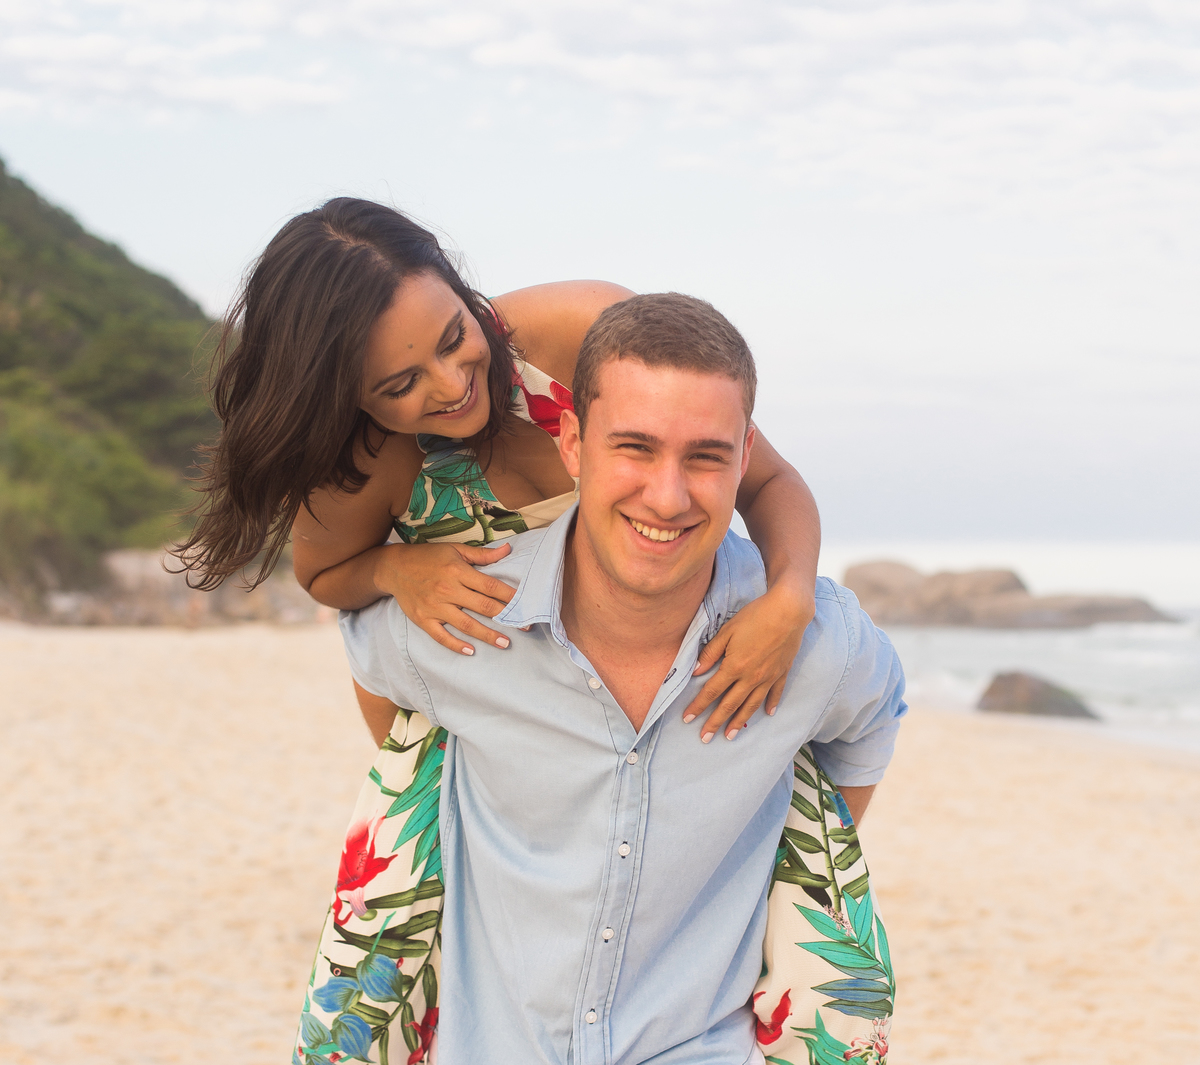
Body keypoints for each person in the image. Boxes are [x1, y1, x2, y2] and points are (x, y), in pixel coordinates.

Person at [299, 293, 906, 1065]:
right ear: (573, 442)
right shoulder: (462, 623)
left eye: (706, 456)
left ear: (744, 457)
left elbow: (874, 714)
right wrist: (469, 764)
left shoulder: (814, 643)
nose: (668, 494)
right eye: (636, 448)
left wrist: (781, 836)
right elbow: (367, 652)